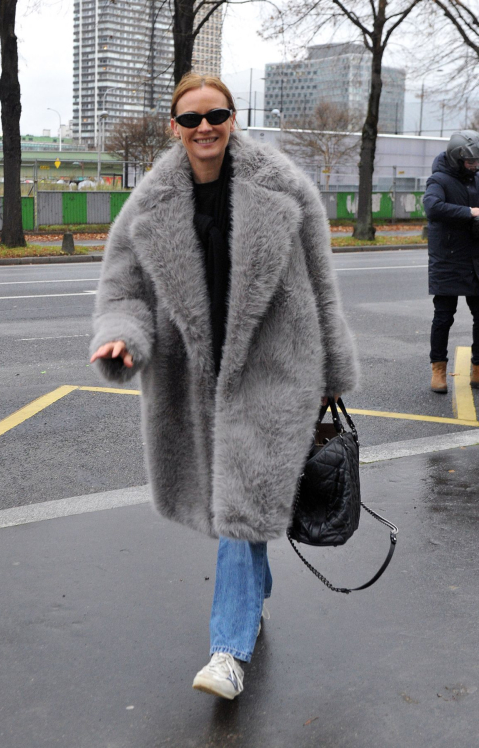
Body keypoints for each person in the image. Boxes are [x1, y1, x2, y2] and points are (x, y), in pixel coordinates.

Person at [89, 74, 358, 700]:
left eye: (216, 114)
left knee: (240, 506)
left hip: (274, 370)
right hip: (193, 378)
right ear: (174, 128)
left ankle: (227, 652)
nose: (204, 127)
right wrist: (121, 337)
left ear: (233, 118)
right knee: (244, 509)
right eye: (191, 119)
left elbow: (321, 287)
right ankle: (253, 594)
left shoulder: (284, 188)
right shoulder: (149, 204)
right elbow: (124, 291)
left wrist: (333, 377)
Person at [424, 130, 479, 394]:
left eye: (477, 160)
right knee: (444, 317)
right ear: (457, 158)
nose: (475, 165)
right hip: (447, 259)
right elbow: (432, 208)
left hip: (475, 259)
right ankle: (438, 370)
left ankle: (478, 369)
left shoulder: (477, 178)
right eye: (470, 161)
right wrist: (470, 212)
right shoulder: (438, 179)